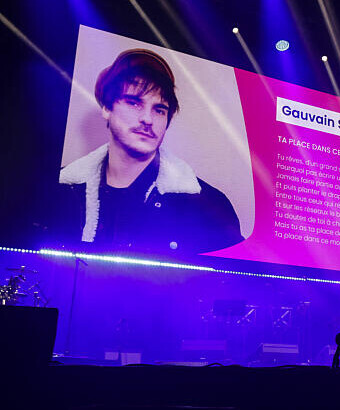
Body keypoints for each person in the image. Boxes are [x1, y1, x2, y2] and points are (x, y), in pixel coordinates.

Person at [44, 48, 244, 256]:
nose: (148, 119)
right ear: (107, 108)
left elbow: (231, 285)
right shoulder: (60, 190)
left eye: (159, 110)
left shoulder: (207, 205)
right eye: (134, 102)